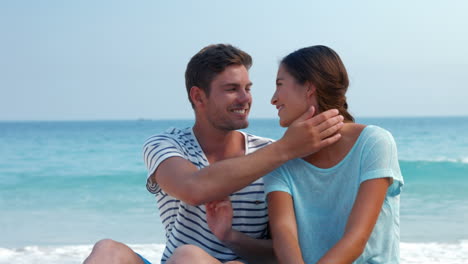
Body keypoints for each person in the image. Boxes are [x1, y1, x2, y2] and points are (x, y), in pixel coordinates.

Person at [83, 44, 344, 264]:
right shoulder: (166, 144)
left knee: (189, 257)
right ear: (198, 96)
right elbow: (193, 189)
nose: (245, 99)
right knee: (107, 251)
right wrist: (287, 147)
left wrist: (230, 237)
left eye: (248, 88)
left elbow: (284, 251)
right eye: (232, 89)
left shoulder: (272, 155)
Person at [263, 45, 404, 264]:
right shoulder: (279, 161)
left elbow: (356, 238)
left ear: (309, 88)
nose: (273, 99)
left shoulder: (374, 142)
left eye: (279, 85)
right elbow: (284, 237)